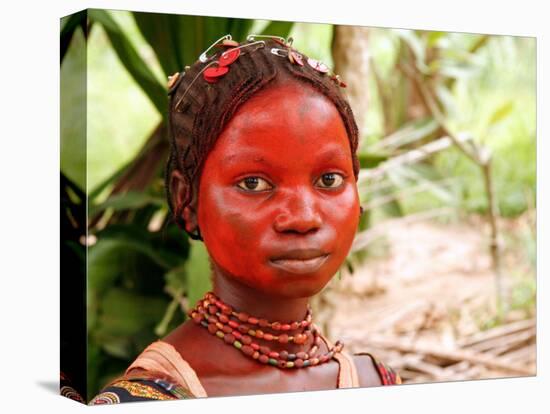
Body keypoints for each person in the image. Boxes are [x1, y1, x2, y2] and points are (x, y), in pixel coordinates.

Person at [89, 34, 401, 405]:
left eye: (329, 179)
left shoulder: (377, 384)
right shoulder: (150, 398)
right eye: (254, 183)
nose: (302, 217)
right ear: (185, 199)